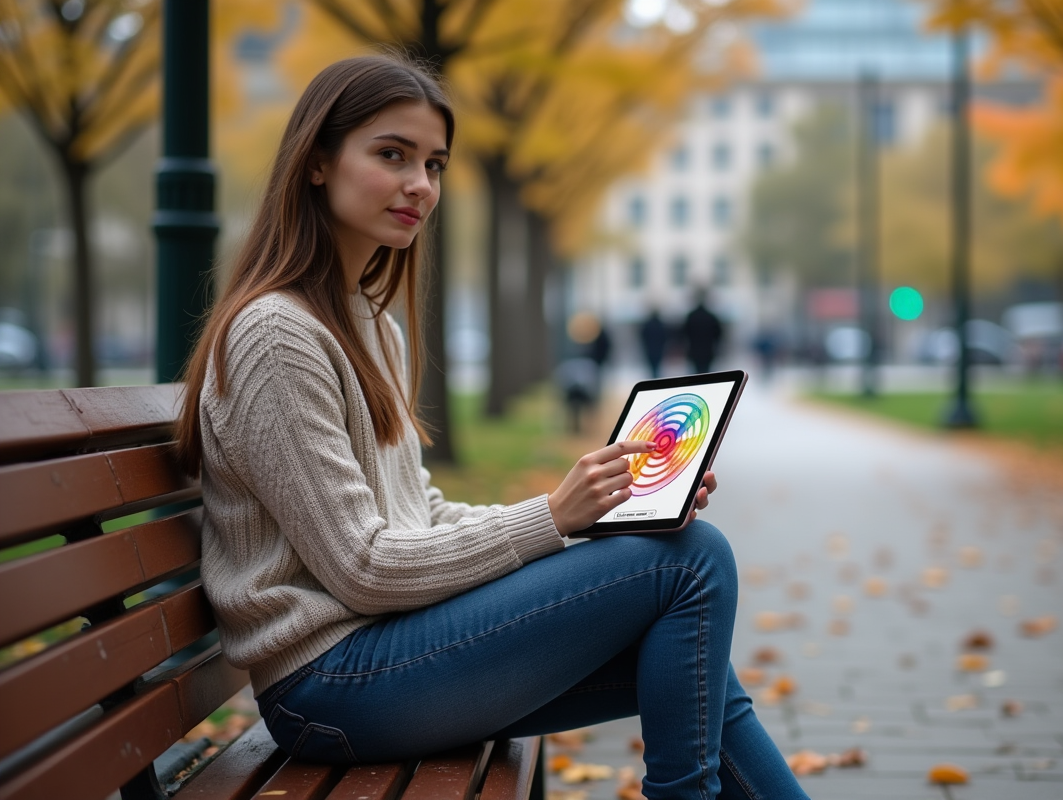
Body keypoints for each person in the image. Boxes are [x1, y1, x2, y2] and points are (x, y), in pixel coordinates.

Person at [175, 54, 809, 800]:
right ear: (317, 162)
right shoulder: (276, 336)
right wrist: (551, 516)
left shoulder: (367, 323)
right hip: (331, 686)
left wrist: (593, 516)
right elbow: (364, 568)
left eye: (434, 164)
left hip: (380, 662)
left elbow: (421, 514)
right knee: (690, 561)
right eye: (392, 155)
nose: (421, 185)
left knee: (693, 643)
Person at [683, 288, 723, 374]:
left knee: (696, 374)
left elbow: (684, 333)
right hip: (708, 351)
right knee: (705, 373)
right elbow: (718, 334)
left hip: (694, 351)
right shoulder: (711, 317)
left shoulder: (691, 316)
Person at [639, 307, 669, 378]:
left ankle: (654, 378)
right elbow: (664, 337)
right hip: (658, 349)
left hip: (650, 349)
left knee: (652, 367)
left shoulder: (648, 324)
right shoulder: (660, 324)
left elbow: (643, 336)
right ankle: (655, 378)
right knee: (656, 366)